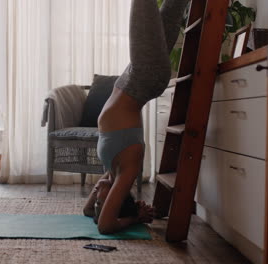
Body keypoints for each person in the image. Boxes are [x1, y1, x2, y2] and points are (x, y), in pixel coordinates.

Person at [83, 0, 190, 234]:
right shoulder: (125, 172)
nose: (97, 192)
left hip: (135, 76)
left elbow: (87, 212)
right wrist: (135, 218)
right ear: (116, 199)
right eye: (102, 199)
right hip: (145, 76)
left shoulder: (112, 170)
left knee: (174, 6)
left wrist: (98, 200)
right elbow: (105, 226)